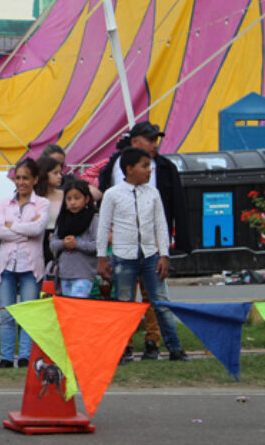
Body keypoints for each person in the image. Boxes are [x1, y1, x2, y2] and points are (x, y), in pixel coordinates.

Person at [98, 121, 191, 361]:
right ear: (129, 169)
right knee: (124, 304)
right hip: (123, 255)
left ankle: (173, 348)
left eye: (150, 167)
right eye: (144, 167)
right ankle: (123, 349)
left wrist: (164, 255)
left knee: (160, 302)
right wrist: (101, 257)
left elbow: (162, 224)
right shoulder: (112, 193)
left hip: (151, 255)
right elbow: (102, 226)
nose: (150, 171)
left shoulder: (154, 192)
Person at [0, 158, 49, 368]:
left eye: (26, 178)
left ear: (35, 179)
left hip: (31, 266)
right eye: (18, 178)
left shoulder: (42, 203)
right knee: (6, 314)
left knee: (28, 313)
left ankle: (25, 356)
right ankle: (7, 357)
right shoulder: (3, 203)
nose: (21, 182)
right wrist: (24, 228)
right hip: (7, 264)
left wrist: (12, 226)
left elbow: (38, 229)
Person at [49, 180, 100, 298]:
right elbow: (53, 243)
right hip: (64, 273)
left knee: (77, 305)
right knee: (68, 309)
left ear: (87, 199)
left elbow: (97, 245)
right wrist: (64, 243)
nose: (72, 202)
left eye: (77, 198)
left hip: (84, 273)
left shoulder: (93, 218)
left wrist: (77, 244)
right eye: (69, 198)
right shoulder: (63, 219)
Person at [35, 155, 64, 264]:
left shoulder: (65, 195)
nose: (60, 176)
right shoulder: (33, 198)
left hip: (60, 243)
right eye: (55, 173)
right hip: (38, 245)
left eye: (60, 173)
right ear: (44, 173)